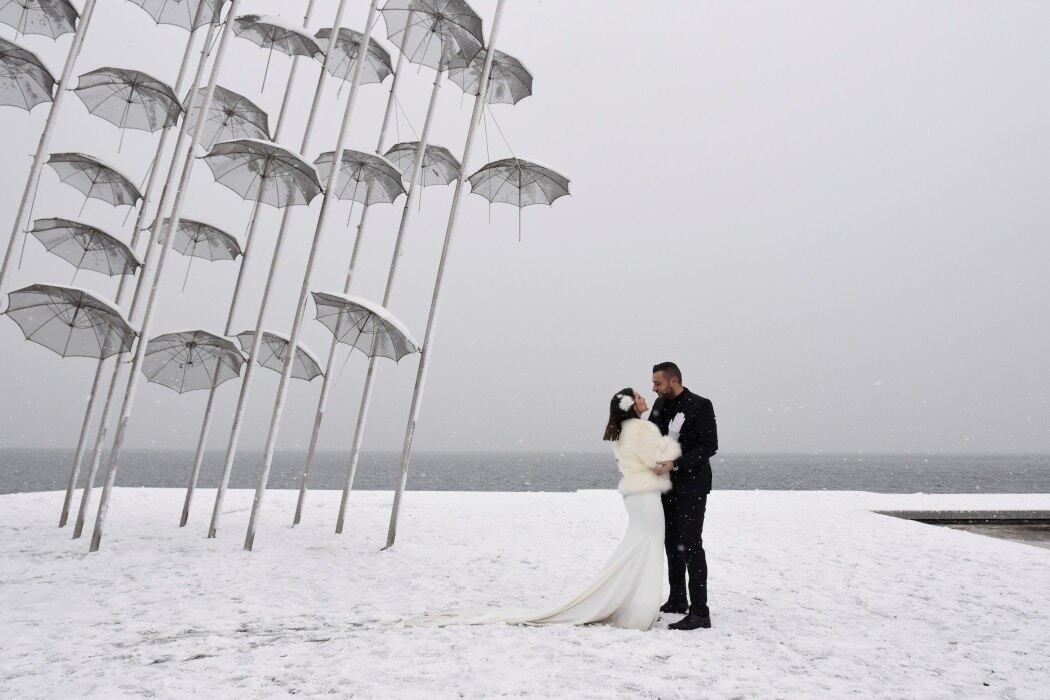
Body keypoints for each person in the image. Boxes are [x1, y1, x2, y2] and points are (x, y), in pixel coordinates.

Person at [407, 388, 681, 631]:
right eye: (640, 397)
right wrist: (673, 437)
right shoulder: (642, 429)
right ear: (631, 405)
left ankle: (625, 602)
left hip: (634, 498)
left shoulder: (619, 433)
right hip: (646, 497)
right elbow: (658, 462)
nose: (646, 398)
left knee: (635, 549)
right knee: (648, 549)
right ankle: (638, 609)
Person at [648, 361, 718, 630]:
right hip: (666, 485)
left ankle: (700, 612)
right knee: (671, 542)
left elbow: (709, 447)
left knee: (691, 544)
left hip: (692, 485)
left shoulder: (701, 405)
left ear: (674, 380)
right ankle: (678, 598)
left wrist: (676, 464)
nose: (654, 388)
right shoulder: (659, 405)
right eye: (654, 383)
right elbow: (652, 437)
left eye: (658, 383)